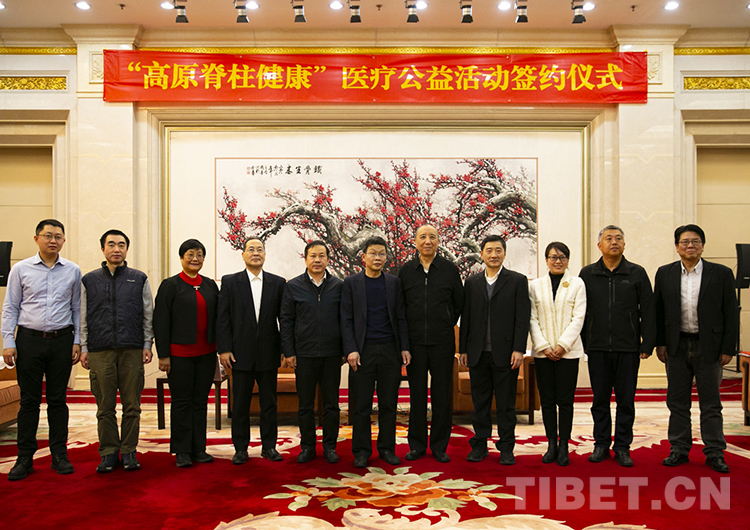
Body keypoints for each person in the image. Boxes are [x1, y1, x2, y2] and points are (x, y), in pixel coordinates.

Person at [654, 224, 739, 473]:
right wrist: (660, 342)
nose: (690, 245)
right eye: (685, 242)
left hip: (709, 346)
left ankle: (714, 452)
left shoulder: (721, 273)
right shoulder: (665, 273)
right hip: (677, 345)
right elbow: (658, 311)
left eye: (695, 241)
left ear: (703, 245)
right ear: (676, 246)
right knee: (677, 402)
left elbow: (731, 313)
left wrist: (728, 348)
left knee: (711, 403)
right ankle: (679, 449)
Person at [2, 219, 81, 481]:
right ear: (37, 238)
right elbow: (10, 307)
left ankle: (59, 454)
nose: (53, 240)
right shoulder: (20, 269)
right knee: (29, 401)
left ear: (63, 241)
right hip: (29, 340)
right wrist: (8, 342)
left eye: (58, 236)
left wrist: (78, 341)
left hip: (62, 340)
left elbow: (77, 309)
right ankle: (25, 457)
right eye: (48, 235)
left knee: (58, 400)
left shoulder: (72, 270)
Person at [579, 225, 655, 467]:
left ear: (624, 244)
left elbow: (648, 310)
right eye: (609, 238)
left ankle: (622, 446)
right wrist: (584, 342)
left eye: (619, 238)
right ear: (599, 245)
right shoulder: (587, 274)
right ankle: (601, 444)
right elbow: (580, 311)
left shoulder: (637, 273)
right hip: (598, 347)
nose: (614, 242)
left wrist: (648, 342)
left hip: (628, 348)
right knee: (599, 400)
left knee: (626, 401)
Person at [79, 229, 154, 473]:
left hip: (132, 349)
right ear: (103, 249)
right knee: (105, 407)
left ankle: (129, 450)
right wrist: (84, 347)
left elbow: (147, 314)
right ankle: (109, 452)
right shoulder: (90, 280)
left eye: (121, 245)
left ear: (126, 249)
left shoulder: (138, 278)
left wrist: (147, 344)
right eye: (111, 244)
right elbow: (82, 315)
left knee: (132, 405)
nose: (116, 249)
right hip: (100, 350)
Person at [459, 235, 530, 466]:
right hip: (478, 353)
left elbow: (522, 318)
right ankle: (479, 445)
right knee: (480, 403)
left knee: (506, 405)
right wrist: (463, 350)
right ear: (481, 254)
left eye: (498, 250)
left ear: (504, 253)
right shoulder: (472, 282)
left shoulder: (517, 281)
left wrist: (519, 349)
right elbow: (466, 317)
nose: (493, 255)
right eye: (489, 250)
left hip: (506, 353)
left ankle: (506, 447)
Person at [341, 236, 411, 468]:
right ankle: (361, 451)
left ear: (386, 257)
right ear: (363, 257)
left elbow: (401, 317)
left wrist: (404, 347)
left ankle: (386, 449)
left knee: (388, 404)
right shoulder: (351, 283)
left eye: (382, 253)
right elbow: (346, 319)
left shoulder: (393, 283)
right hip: (362, 351)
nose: (377, 257)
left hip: (390, 350)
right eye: (373, 253)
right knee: (361, 405)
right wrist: (351, 349)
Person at [217, 237, 285, 465]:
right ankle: (240, 449)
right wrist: (224, 349)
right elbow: (223, 318)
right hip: (240, 353)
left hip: (268, 352)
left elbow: (284, 319)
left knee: (269, 404)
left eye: (260, 249)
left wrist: (284, 349)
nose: (256, 253)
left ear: (265, 254)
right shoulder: (230, 282)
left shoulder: (277, 283)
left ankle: (269, 446)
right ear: (243, 254)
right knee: (240, 405)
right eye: (251, 249)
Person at [398, 224, 463, 463]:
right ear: (415, 242)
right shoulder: (406, 271)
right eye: (423, 237)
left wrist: (445, 323)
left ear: (438, 241)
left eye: (432, 237)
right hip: (414, 344)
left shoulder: (449, 270)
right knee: (416, 396)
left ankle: (439, 446)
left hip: (442, 343)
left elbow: (458, 304)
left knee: (441, 396)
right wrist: (404, 344)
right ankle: (416, 445)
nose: (427, 241)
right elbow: (400, 308)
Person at [153, 239, 219, 468]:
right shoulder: (170, 285)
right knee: (181, 402)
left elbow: (219, 318)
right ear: (181, 258)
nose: (195, 259)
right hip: (179, 355)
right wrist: (163, 354)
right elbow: (160, 321)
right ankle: (182, 450)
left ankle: (198, 448)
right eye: (190, 254)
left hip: (206, 354)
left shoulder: (210, 285)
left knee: (200, 402)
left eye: (199, 254)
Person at [280, 240, 343, 464]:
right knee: (305, 405)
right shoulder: (293, 286)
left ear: (327, 259)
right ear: (305, 259)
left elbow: (345, 320)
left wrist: (344, 350)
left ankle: (330, 447)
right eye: (313, 256)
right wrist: (289, 351)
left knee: (331, 404)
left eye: (321, 256)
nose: (317, 260)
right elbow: (286, 321)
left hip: (332, 354)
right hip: (304, 355)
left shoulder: (338, 286)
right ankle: (307, 446)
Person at [528, 241, 586, 466]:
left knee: (565, 401)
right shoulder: (535, 286)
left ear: (568, 260)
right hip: (543, 353)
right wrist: (543, 346)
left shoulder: (577, 284)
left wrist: (562, 345)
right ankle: (551, 443)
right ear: (546, 260)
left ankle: (564, 445)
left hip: (568, 353)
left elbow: (579, 318)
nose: (558, 261)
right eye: (553, 257)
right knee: (548, 400)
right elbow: (531, 318)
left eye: (562, 257)